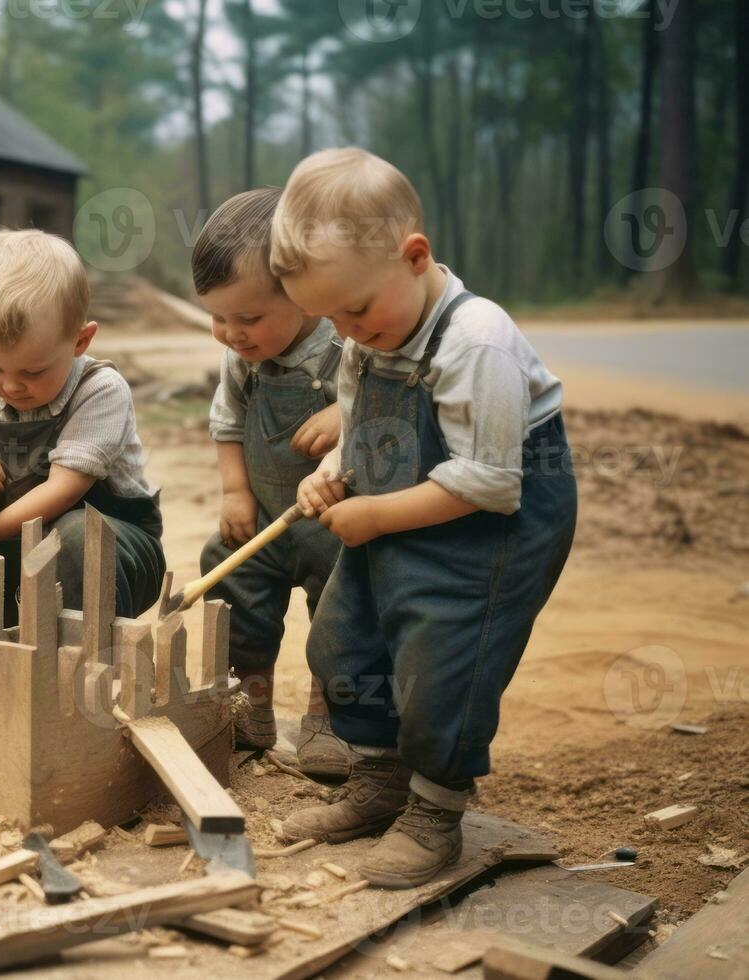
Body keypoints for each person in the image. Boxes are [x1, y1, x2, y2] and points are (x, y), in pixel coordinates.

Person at [272, 148, 577, 887]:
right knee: (345, 639)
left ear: (414, 257)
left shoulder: (476, 343)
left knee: (444, 664)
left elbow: (491, 481)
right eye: (327, 319)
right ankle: (378, 781)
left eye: (355, 309)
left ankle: (436, 812)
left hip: (491, 522)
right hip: (402, 501)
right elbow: (356, 418)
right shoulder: (367, 334)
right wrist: (329, 474)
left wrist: (374, 516)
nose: (345, 332)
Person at [192, 188, 355, 776]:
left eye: (248, 318)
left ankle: (327, 716)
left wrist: (346, 414)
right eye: (217, 318)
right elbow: (227, 422)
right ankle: (251, 704)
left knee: (342, 612)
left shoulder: (348, 347)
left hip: (335, 518)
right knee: (230, 585)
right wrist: (236, 492)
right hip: (264, 513)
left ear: (306, 293)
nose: (231, 334)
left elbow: (390, 411)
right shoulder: (243, 357)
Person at [0, 229, 165, 626]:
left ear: (80, 340)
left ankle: (83, 672)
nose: (11, 385)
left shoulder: (99, 390)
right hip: (12, 544)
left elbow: (64, 487)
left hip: (115, 549)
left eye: (33, 371)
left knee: (74, 536)